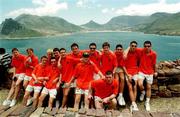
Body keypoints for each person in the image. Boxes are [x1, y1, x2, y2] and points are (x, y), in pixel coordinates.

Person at [137, 41, 157, 111]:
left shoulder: (154, 54)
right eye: (145, 46)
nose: (147, 47)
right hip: (141, 71)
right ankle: (143, 92)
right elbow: (131, 47)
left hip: (150, 72)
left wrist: (155, 71)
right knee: (139, 84)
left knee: (148, 87)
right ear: (143, 46)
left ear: (150, 46)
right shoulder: (141, 51)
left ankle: (147, 102)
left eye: (148, 46)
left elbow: (154, 64)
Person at [124, 41, 140, 112]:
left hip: (135, 72)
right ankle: (133, 104)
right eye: (132, 46)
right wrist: (127, 75)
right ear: (130, 46)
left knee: (135, 87)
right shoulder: (126, 53)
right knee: (130, 87)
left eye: (135, 46)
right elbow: (123, 66)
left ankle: (133, 103)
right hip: (128, 72)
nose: (133, 47)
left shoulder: (137, 52)